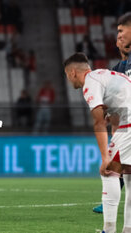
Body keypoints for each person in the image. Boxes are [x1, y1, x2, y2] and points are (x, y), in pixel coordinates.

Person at [64, 52, 131, 233]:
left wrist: (105, 157)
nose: (69, 81)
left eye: (67, 76)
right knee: (129, 176)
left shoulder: (90, 83)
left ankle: (108, 230)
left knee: (109, 172)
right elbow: (115, 120)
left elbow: (99, 121)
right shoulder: (108, 75)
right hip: (127, 125)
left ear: (72, 73)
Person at [92, 33, 130, 214]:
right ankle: (110, 200)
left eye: (125, 36)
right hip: (124, 120)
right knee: (119, 160)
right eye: (119, 38)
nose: (122, 39)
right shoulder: (118, 68)